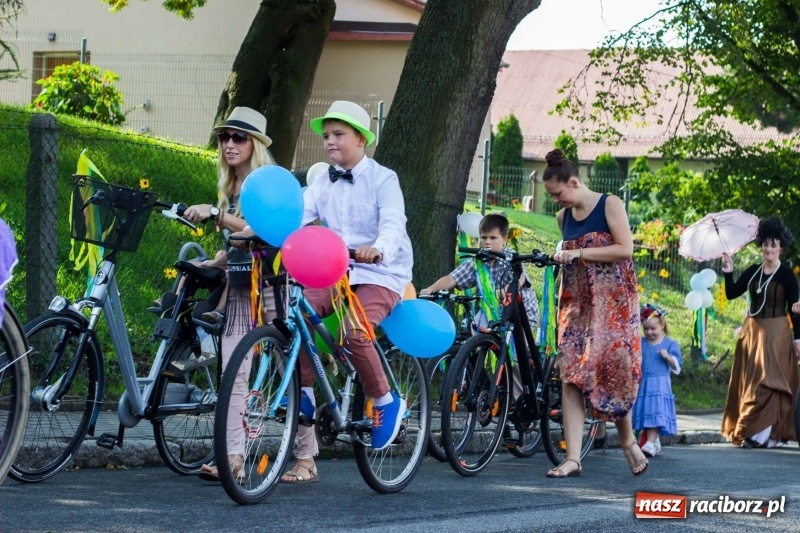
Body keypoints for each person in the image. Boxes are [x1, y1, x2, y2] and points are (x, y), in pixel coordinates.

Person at [279, 100, 414, 483]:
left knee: (356, 330)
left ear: (360, 138)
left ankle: (387, 401)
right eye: (325, 136)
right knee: (299, 312)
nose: (329, 142)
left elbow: (393, 222)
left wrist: (379, 248)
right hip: (336, 269)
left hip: (380, 271)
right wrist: (259, 235)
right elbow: (297, 220)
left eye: (338, 135)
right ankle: (305, 392)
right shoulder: (322, 180)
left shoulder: (384, 178)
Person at [182, 106, 279, 481]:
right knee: (233, 369)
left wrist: (217, 215)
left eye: (239, 137)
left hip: (273, 283)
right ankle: (234, 458)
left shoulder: (265, 183)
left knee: (297, 366)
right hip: (240, 285)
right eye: (224, 137)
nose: (229, 144)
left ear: (255, 144)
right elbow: (237, 243)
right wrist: (218, 259)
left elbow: (263, 229)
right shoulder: (228, 187)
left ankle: (307, 455)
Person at [545, 148, 646, 478]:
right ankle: (572, 458)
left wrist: (581, 253)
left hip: (614, 305)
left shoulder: (609, 204)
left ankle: (627, 438)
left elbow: (624, 248)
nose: (556, 202)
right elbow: (569, 254)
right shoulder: (563, 219)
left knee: (613, 371)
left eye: (557, 194)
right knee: (570, 376)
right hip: (575, 307)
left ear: (573, 183)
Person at [420, 212, 540, 444]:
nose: (486, 242)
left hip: (519, 316)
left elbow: (522, 279)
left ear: (504, 240)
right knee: (471, 341)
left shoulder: (511, 258)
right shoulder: (476, 262)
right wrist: (431, 289)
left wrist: (510, 286)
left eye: (493, 238)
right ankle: (481, 386)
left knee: (514, 363)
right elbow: (452, 279)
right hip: (491, 314)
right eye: (482, 237)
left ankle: (515, 406)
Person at [721, 216, 800, 448]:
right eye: (765, 243)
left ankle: (759, 435)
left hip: (777, 332)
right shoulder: (754, 271)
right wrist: (729, 271)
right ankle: (762, 434)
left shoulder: (786, 274)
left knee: (769, 382)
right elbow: (732, 292)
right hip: (753, 333)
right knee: (753, 382)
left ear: (781, 248)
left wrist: (798, 339)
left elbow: (795, 309)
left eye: (773, 244)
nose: (768, 248)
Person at [631, 304, 682, 457]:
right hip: (644, 384)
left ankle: (650, 443)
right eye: (646, 329)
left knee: (656, 412)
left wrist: (668, 357)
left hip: (660, 385)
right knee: (647, 412)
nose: (649, 332)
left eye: (653, 329)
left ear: (662, 325)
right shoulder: (641, 343)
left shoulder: (670, 344)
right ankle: (653, 440)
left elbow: (677, 365)